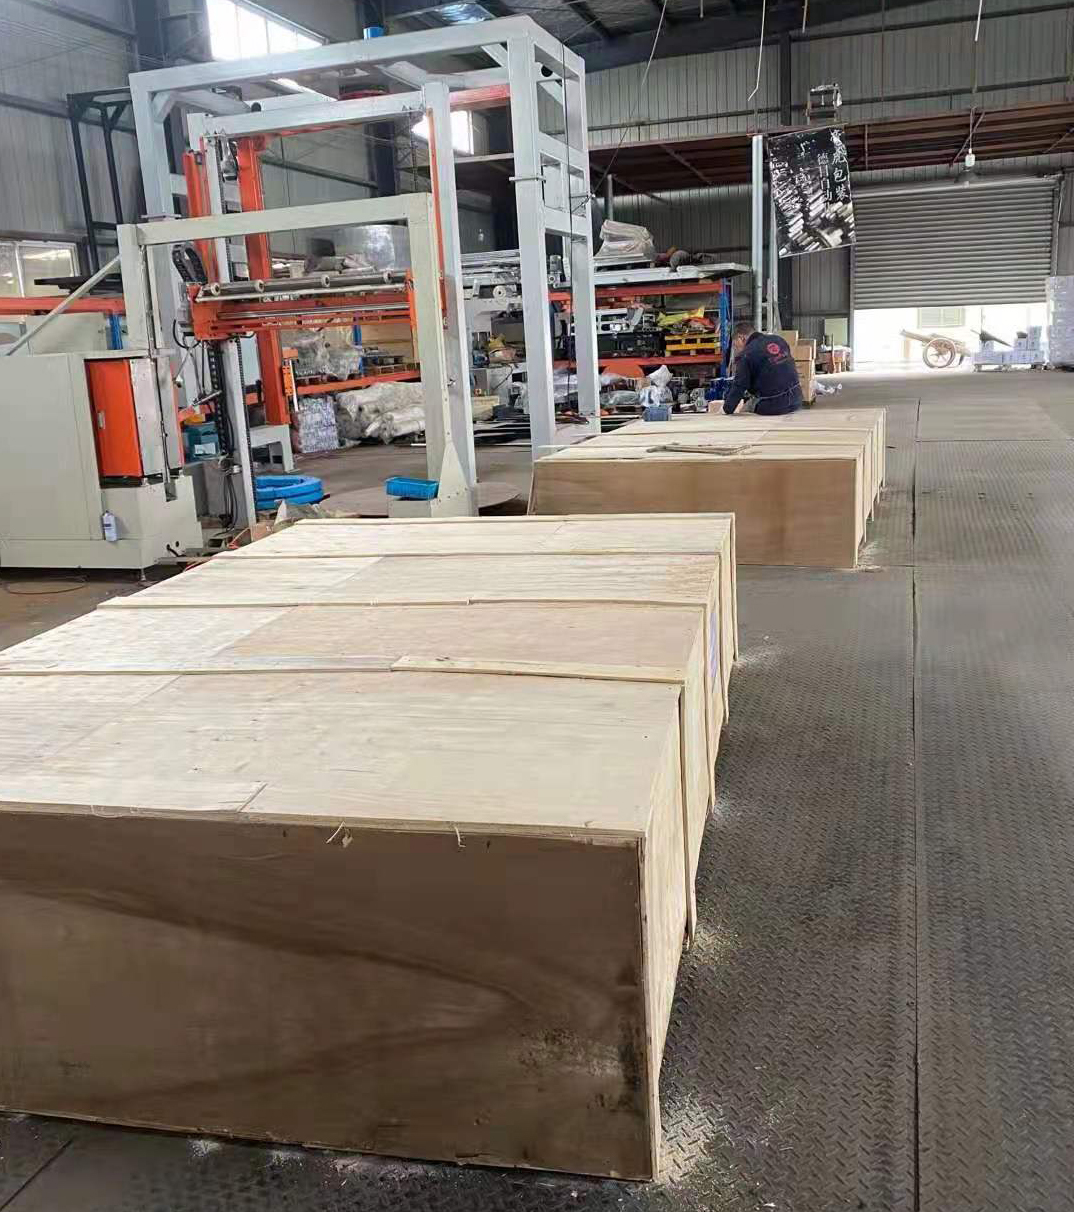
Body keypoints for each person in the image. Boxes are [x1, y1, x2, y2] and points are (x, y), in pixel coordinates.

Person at [721, 321, 803, 416]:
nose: (736, 349)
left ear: (741, 338)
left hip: (774, 406)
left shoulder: (746, 354)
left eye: (735, 345)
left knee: (744, 409)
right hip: (797, 399)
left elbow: (739, 385)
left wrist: (727, 409)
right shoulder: (779, 340)